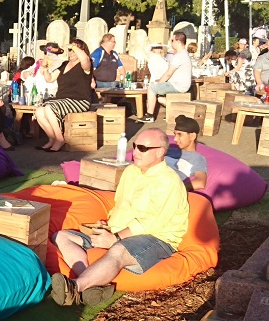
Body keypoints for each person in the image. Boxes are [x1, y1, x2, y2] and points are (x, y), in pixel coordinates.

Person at [49, 128, 188, 306]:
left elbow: (153, 223)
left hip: (158, 238)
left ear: (160, 152)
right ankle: (91, 283)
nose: (135, 152)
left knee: (119, 250)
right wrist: (107, 224)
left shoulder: (169, 181)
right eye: (135, 146)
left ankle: (74, 288)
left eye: (142, 148)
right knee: (61, 236)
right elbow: (120, 205)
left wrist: (115, 238)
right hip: (118, 231)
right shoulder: (130, 172)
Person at [33, 40, 93, 152]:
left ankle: (60, 139)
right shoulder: (64, 65)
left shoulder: (85, 65)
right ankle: (52, 139)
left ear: (82, 50)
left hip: (79, 100)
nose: (71, 52)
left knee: (50, 108)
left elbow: (85, 59)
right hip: (61, 99)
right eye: (70, 50)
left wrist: (73, 46)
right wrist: (45, 68)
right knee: (39, 111)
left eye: (74, 50)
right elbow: (49, 79)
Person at [139, 33, 192, 123]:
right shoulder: (184, 53)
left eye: (172, 40)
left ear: (178, 42)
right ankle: (175, 111)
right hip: (181, 84)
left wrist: (159, 82)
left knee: (152, 89)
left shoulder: (179, 56)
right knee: (159, 97)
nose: (171, 42)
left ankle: (149, 115)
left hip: (177, 85)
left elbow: (168, 73)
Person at [166, 115, 208, 191]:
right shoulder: (169, 149)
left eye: (180, 134)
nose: (175, 139)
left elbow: (200, 182)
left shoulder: (197, 158)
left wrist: (173, 190)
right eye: (175, 134)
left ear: (192, 136)